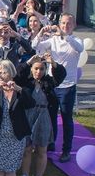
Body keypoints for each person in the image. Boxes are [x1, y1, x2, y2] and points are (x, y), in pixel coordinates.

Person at [32, 13, 83, 162]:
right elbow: (36, 46)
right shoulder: (53, 40)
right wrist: (40, 33)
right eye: (63, 23)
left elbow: (78, 48)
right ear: (59, 23)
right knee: (50, 116)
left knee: (67, 118)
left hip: (67, 86)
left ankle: (66, 149)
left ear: (73, 25)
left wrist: (64, 35)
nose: (65, 26)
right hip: (52, 85)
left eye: (68, 24)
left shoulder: (75, 40)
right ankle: (50, 143)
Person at [16, 53, 66, 176]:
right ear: (32, 69)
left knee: (41, 149)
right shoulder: (25, 81)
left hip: (43, 116)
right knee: (26, 149)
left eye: (42, 69)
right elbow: (16, 74)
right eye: (36, 68)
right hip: (27, 116)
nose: (39, 72)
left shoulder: (49, 81)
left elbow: (61, 75)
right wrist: (28, 62)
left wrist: (53, 63)